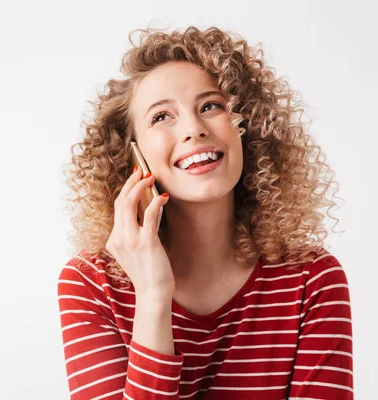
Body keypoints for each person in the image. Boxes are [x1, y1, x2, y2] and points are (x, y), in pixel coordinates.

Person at [58, 25, 353, 399]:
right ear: (130, 155)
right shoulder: (91, 284)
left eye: (211, 106)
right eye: (161, 116)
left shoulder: (311, 279)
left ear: (248, 129)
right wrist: (153, 296)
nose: (194, 129)